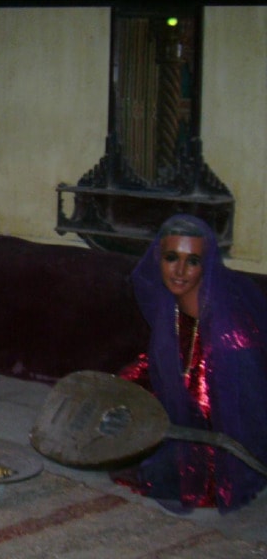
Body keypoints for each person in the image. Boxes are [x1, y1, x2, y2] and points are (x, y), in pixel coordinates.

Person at [116, 214, 267, 513]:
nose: (180, 271)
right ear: (158, 258)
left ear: (206, 265)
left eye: (193, 261)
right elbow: (167, 363)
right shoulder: (170, 305)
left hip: (217, 428)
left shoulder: (230, 331)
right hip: (180, 406)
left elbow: (243, 410)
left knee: (171, 470)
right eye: (171, 257)